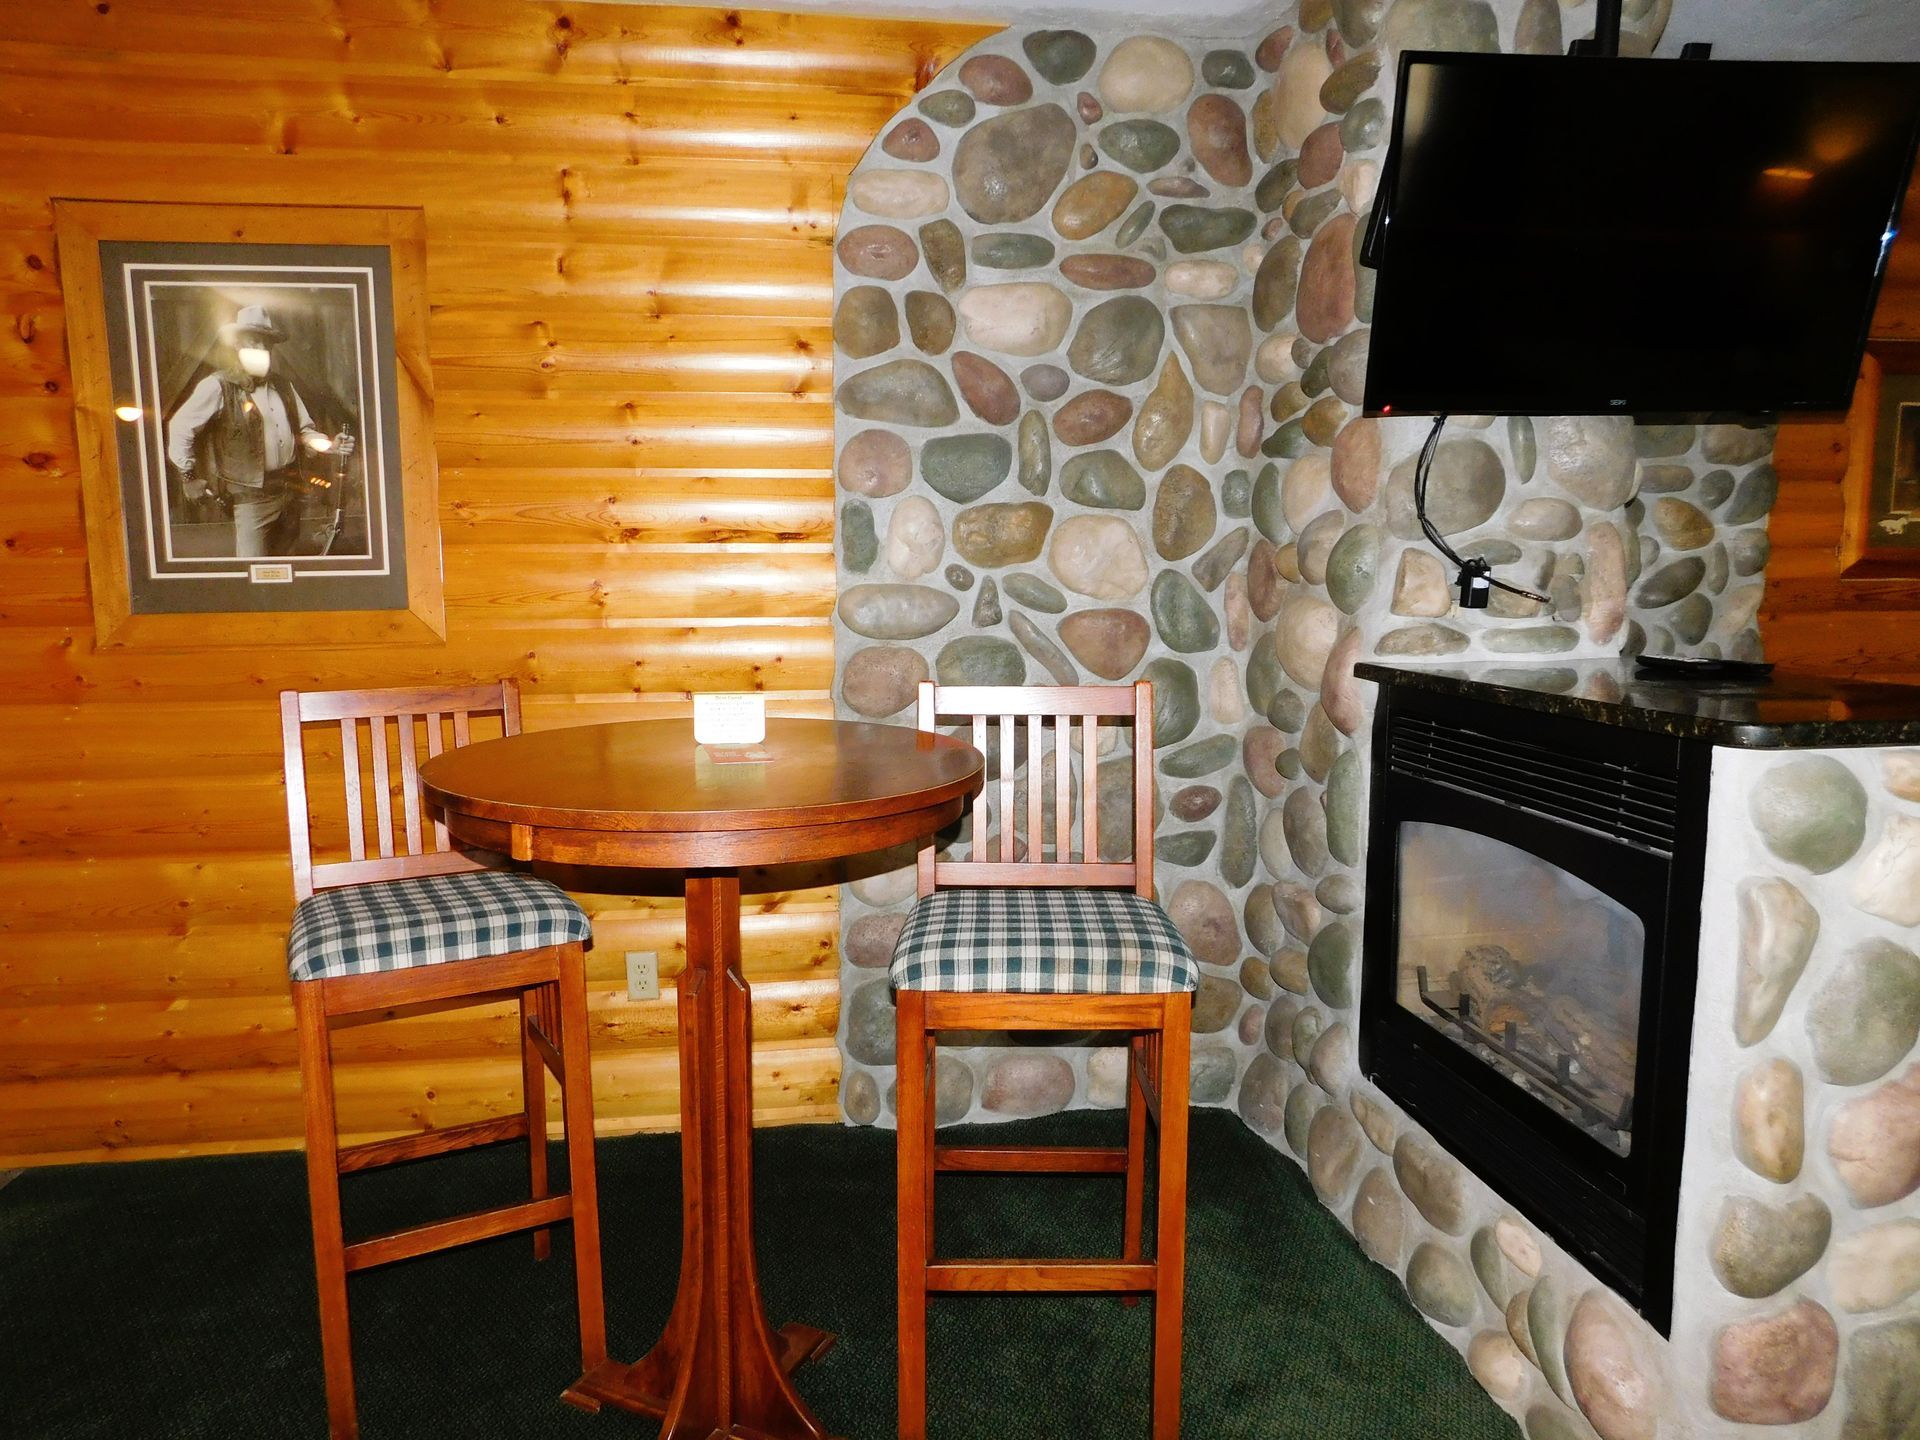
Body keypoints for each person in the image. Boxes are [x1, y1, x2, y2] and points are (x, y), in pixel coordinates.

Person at [165, 304, 355, 558]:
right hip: (250, 500)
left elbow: (305, 431)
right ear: (237, 345)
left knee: (287, 565)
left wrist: (330, 445)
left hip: (289, 493)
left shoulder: (283, 386)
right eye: (253, 342)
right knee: (252, 569)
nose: (261, 348)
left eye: (266, 343)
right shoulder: (218, 386)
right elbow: (180, 427)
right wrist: (188, 477)